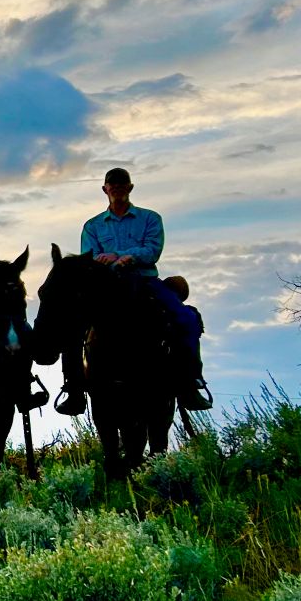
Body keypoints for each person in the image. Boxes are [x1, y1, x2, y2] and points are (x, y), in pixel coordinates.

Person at [54, 166, 212, 415]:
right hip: (105, 287)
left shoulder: (150, 218)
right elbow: (88, 257)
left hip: (144, 281)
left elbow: (153, 249)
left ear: (130, 188)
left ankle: (190, 382)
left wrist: (124, 256)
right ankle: (74, 389)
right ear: (105, 189)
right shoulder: (93, 226)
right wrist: (101, 262)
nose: (116, 187)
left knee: (186, 318)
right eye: (112, 184)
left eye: (121, 183)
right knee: (72, 327)